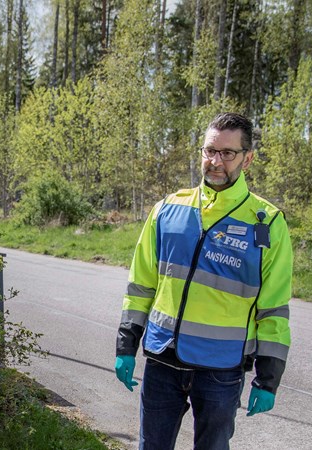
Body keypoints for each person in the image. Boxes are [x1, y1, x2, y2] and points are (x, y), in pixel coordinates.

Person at [113, 113, 293, 450]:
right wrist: (126, 344)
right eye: (210, 151)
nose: (215, 162)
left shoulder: (266, 224)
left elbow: (274, 307)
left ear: (248, 158)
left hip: (221, 371)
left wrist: (268, 378)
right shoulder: (167, 210)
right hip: (162, 360)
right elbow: (141, 285)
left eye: (227, 153)